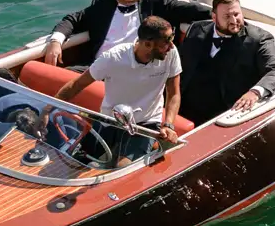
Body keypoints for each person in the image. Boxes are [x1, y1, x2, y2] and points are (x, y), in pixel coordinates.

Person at [43, 0, 211, 67]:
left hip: (139, 68)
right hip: (99, 66)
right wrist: (55, 42)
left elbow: (192, 10)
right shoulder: (102, 5)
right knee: (61, 81)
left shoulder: (158, 3)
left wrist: (221, 14)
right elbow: (72, 20)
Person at [58, 16, 184, 146]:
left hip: (147, 123)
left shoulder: (171, 54)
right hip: (109, 120)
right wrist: (47, 110)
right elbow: (77, 84)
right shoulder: (113, 57)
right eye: (167, 41)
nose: (171, 46)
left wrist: (168, 125)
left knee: (124, 164)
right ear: (147, 44)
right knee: (80, 160)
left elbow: (174, 93)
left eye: (171, 38)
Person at [177, 0, 275, 124]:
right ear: (214, 17)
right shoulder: (196, 29)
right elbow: (181, 63)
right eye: (227, 16)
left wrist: (255, 93)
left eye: (236, 14)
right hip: (183, 102)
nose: (233, 21)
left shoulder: (258, 40)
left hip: (223, 110)